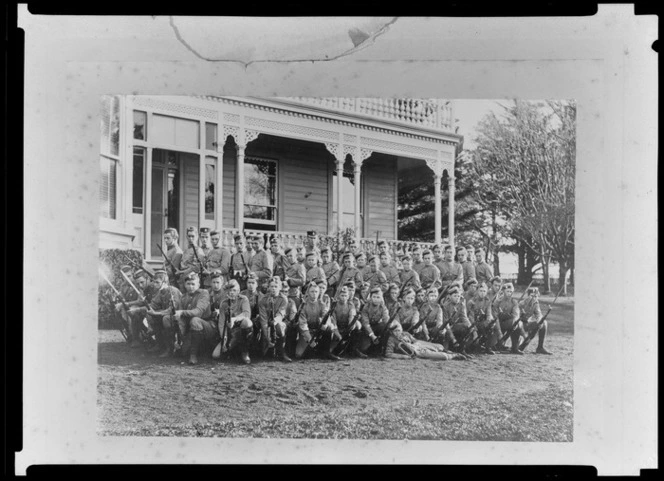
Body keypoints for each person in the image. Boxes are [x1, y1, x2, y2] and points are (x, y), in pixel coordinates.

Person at [169, 272, 213, 364]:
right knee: (182, 352)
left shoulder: (204, 293)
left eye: (193, 284)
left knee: (195, 320)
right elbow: (180, 317)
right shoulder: (184, 297)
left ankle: (193, 355)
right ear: (184, 285)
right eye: (188, 284)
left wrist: (181, 312)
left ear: (198, 285)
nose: (190, 286)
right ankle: (176, 345)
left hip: (207, 325)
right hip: (192, 328)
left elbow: (198, 312)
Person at [144, 270, 183, 356]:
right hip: (167, 316)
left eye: (157, 282)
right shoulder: (160, 292)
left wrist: (156, 313)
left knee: (165, 319)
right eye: (153, 282)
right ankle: (159, 344)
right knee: (151, 315)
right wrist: (148, 309)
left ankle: (170, 348)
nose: (154, 284)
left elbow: (172, 310)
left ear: (165, 282)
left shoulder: (173, 291)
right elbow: (153, 305)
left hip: (178, 317)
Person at [214, 279, 253, 364]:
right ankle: (232, 348)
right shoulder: (224, 303)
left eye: (234, 290)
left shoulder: (243, 299)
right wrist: (224, 337)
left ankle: (245, 352)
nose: (231, 293)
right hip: (230, 332)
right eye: (229, 290)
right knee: (216, 355)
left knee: (247, 322)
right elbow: (221, 322)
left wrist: (235, 319)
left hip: (240, 329)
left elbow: (246, 314)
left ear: (238, 291)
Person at [383, 324, 469, 360]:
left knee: (439, 346)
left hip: (416, 345)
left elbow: (415, 340)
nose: (398, 333)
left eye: (399, 330)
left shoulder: (405, 333)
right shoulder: (391, 339)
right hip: (415, 351)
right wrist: (403, 356)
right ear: (391, 332)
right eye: (395, 331)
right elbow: (388, 354)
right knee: (443, 356)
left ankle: (449, 351)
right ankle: (453, 356)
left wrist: (410, 340)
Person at [257, 277, 292, 362]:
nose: (273, 288)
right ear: (268, 287)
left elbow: (281, 314)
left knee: (279, 327)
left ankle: (282, 352)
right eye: (271, 286)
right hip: (266, 323)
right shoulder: (263, 300)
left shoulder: (283, 299)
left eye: (276, 286)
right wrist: (267, 336)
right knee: (264, 352)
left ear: (280, 288)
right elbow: (263, 319)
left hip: (278, 322)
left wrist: (275, 321)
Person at [295, 282, 328, 359]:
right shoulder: (303, 305)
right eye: (312, 292)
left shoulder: (322, 304)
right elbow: (303, 325)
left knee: (328, 328)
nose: (314, 294)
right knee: (299, 355)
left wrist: (324, 324)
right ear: (308, 293)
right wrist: (310, 339)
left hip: (318, 331)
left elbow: (326, 317)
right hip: (307, 332)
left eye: (316, 292)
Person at [467, 281, 500, 354]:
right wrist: (474, 329)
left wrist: (489, 322)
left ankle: (488, 347)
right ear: (477, 291)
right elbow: (470, 317)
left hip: (482, 322)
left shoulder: (487, 301)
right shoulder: (472, 302)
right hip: (472, 323)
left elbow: (488, 314)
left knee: (491, 326)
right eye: (481, 291)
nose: (482, 293)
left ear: (486, 292)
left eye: (484, 291)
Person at [356, 287, 389, 358]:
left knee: (384, 326)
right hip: (366, 330)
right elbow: (365, 323)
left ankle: (380, 350)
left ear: (381, 298)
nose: (376, 299)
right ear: (371, 297)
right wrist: (372, 335)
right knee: (364, 348)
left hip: (376, 327)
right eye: (374, 297)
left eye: (378, 297)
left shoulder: (383, 307)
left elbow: (386, 319)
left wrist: (388, 323)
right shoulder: (366, 307)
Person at [441, 286, 476, 352]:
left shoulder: (461, 304)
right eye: (455, 296)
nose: (457, 298)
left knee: (467, 328)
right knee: (446, 333)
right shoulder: (446, 306)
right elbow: (446, 322)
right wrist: (452, 338)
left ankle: (462, 349)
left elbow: (464, 317)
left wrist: (470, 327)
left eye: (458, 296)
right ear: (449, 296)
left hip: (456, 325)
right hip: (447, 326)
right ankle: (446, 349)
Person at [494, 282, 525, 355]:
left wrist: (505, 315)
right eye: (507, 291)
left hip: (508, 323)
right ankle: (498, 344)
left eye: (511, 292)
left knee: (517, 323)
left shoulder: (514, 302)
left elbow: (515, 315)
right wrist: (508, 315)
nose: (509, 293)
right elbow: (495, 315)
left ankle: (515, 348)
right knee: (514, 322)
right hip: (497, 324)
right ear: (503, 291)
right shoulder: (497, 301)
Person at [518, 287, 552, 355]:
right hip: (518, 325)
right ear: (527, 296)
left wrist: (539, 322)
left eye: (536, 296)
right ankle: (519, 345)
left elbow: (539, 315)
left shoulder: (536, 304)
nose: (534, 298)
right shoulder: (521, 304)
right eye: (532, 296)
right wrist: (524, 335)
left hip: (526, 324)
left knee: (543, 323)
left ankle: (540, 347)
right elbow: (516, 318)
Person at [329, 285, 358, 358]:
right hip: (337, 329)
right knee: (331, 349)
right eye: (342, 295)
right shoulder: (334, 305)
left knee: (357, 327)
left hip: (346, 328)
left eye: (346, 295)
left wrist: (350, 328)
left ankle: (352, 349)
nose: (344, 297)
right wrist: (338, 334)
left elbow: (352, 317)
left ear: (348, 296)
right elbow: (333, 321)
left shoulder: (351, 305)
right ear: (338, 296)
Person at [176, 227, 206, 291]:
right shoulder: (186, 250)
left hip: (192, 280)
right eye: (189, 236)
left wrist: (182, 272)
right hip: (182, 279)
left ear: (197, 237)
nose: (191, 238)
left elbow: (196, 268)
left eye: (193, 236)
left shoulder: (198, 250)